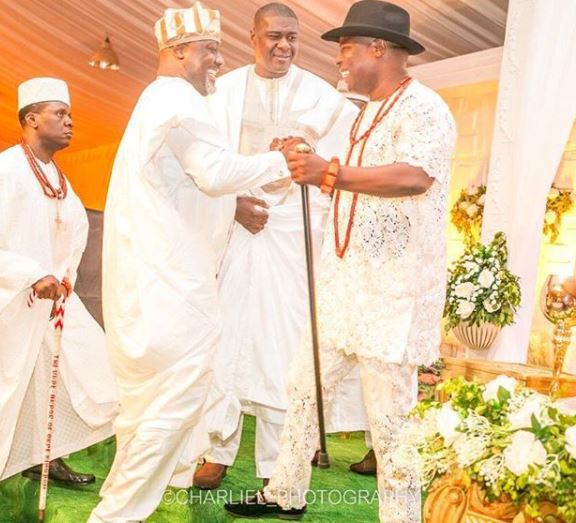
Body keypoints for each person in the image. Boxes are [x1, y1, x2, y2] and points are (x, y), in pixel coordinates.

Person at [224, 1, 456, 521]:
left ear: (379, 48)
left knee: (390, 420)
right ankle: (285, 492)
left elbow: (414, 177)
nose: (340, 60)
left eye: (347, 48)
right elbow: (345, 172)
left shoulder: (425, 107)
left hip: (392, 290)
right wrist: (307, 154)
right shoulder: (366, 110)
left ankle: (402, 517)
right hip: (344, 279)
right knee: (302, 388)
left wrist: (329, 173)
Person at [88, 3, 295, 522]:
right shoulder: (178, 101)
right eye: (209, 51)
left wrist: (246, 186)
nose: (218, 62)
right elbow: (214, 172)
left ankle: (117, 503)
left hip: (152, 283)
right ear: (179, 52)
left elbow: (194, 187)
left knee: (147, 408)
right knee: (173, 402)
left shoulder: (155, 100)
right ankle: (115, 516)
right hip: (170, 287)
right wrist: (282, 160)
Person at [193, 2, 364, 490]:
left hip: (293, 235)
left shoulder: (323, 96)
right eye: (273, 37)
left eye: (292, 36)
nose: (284, 46)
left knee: (281, 346)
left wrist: (307, 155)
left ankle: (275, 464)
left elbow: (339, 166)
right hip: (232, 229)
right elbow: (203, 164)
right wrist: (233, 207)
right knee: (223, 336)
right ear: (251, 37)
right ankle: (216, 446)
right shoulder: (219, 91)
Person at [0, 77, 118, 485]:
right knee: (8, 388)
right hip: (12, 301)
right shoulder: (6, 170)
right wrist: (32, 274)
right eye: (60, 114)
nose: (70, 122)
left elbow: (76, 233)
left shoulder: (59, 179)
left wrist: (63, 276)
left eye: (70, 115)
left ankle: (44, 454)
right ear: (31, 119)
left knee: (95, 371)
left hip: (55, 302)